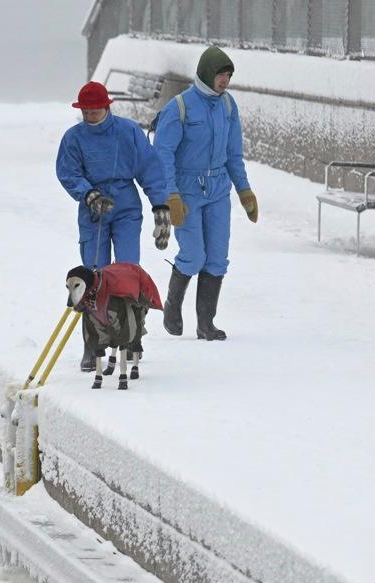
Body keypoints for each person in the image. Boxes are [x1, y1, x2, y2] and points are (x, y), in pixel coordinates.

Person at [57, 81, 171, 372]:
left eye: (95, 110)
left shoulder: (128, 132)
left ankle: (132, 338)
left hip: (125, 206)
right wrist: (89, 194)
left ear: (107, 106)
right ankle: (91, 343)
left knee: (128, 272)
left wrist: (160, 205)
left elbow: (149, 166)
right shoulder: (73, 139)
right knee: (93, 275)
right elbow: (68, 173)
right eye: (86, 111)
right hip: (93, 209)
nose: (91, 115)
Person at [153, 46, 258, 341]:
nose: (224, 80)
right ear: (206, 73)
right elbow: (163, 155)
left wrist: (245, 190)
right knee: (193, 254)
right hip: (186, 192)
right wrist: (170, 195)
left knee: (217, 258)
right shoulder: (180, 107)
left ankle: (206, 325)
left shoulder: (228, 106)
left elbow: (234, 154)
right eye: (220, 74)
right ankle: (172, 308)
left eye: (227, 75)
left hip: (218, 190)